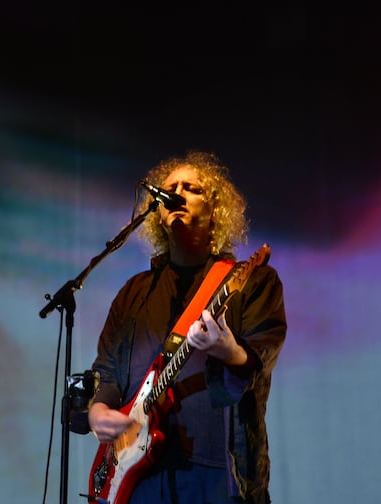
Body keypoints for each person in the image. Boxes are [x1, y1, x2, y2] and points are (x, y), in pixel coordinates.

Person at [86, 151, 287, 504]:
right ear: (158, 214)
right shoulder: (133, 293)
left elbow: (261, 358)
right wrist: (98, 410)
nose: (177, 193)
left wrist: (231, 352)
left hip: (216, 475)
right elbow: (107, 370)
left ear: (214, 209)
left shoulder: (252, 281)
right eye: (170, 188)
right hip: (139, 478)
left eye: (190, 188)